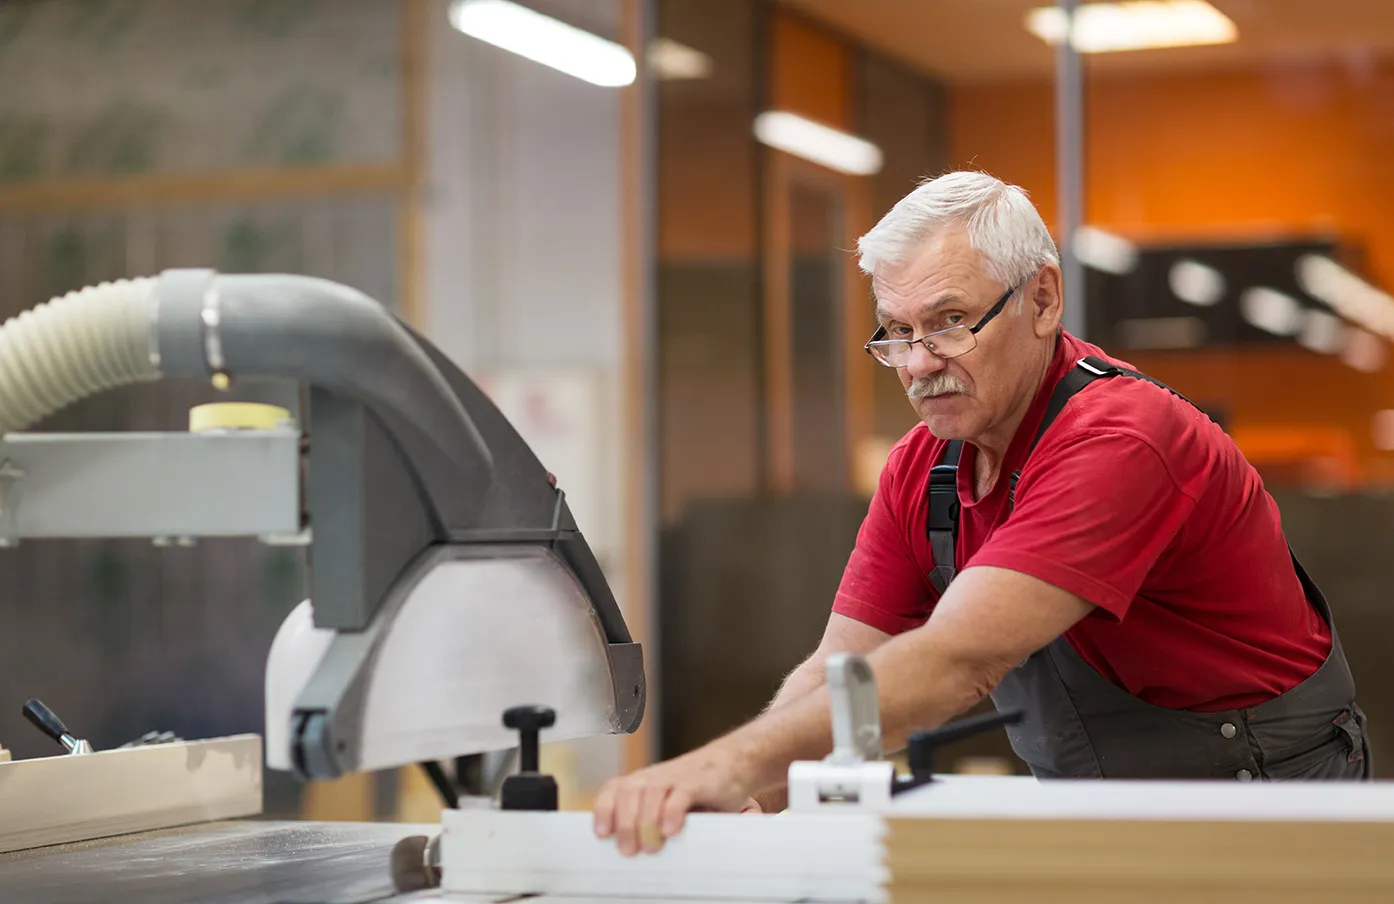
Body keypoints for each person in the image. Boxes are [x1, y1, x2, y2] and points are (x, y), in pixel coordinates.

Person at [592, 170, 1372, 857]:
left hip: (1266, 824)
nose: (921, 362)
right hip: (1105, 830)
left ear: (1042, 298)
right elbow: (845, 673)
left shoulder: (1124, 440)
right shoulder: (924, 467)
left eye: (949, 321)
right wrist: (745, 795)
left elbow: (958, 661)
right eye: (897, 334)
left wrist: (728, 763)